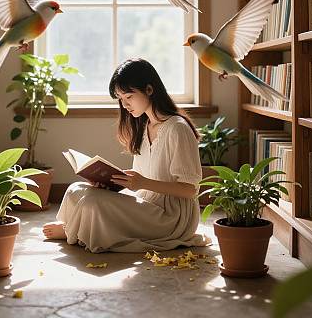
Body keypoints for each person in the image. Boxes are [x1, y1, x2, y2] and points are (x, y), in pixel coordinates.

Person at [42, 58, 212, 253]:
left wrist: (142, 183)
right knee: (76, 188)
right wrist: (111, 183)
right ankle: (75, 228)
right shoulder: (143, 126)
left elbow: (190, 190)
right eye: (120, 99)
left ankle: (72, 229)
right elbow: (140, 185)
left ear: (149, 89)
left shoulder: (177, 129)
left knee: (92, 201)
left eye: (129, 97)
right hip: (147, 205)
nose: (125, 105)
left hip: (171, 217)